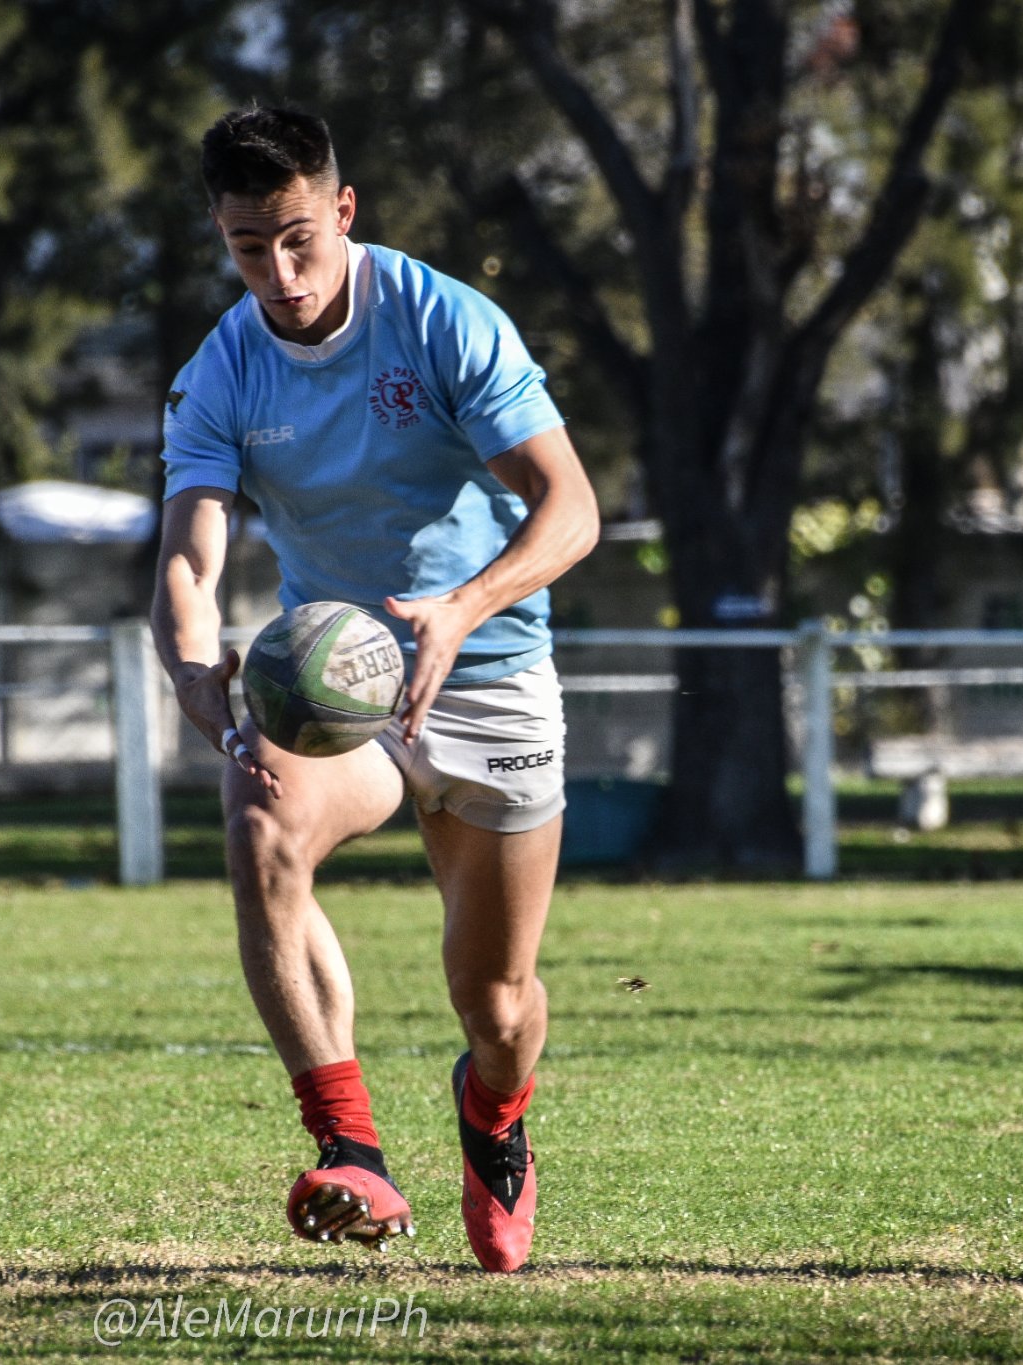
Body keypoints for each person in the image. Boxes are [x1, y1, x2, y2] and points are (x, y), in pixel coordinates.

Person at [152, 107, 600, 1273]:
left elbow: (570, 507)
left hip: (489, 671)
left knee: (495, 1006)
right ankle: (350, 1146)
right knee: (259, 821)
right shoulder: (220, 370)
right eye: (249, 247)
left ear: (342, 211)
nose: (280, 273)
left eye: (298, 238)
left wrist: (463, 607)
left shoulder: (441, 320)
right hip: (339, 685)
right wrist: (203, 686)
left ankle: (493, 1117)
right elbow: (189, 565)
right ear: (222, 233)